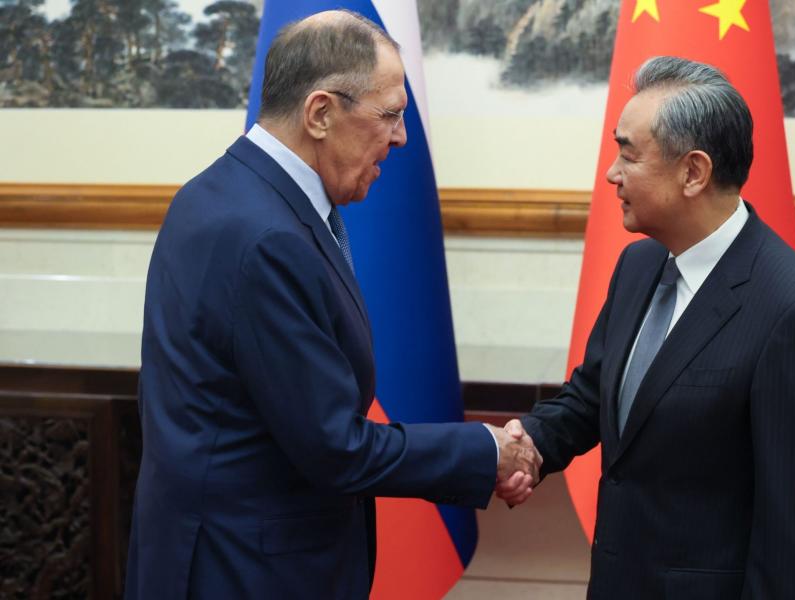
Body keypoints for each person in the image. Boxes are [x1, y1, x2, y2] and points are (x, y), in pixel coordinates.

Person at [125, 10, 539, 600]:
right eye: (390, 115)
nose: (400, 138)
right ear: (320, 113)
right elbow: (334, 448)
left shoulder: (219, 193)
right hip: (246, 572)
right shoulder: (266, 237)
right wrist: (485, 450)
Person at [497, 56, 795, 599]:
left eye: (628, 154)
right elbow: (594, 398)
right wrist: (530, 447)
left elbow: (793, 536)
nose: (612, 174)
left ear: (694, 172)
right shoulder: (639, 266)